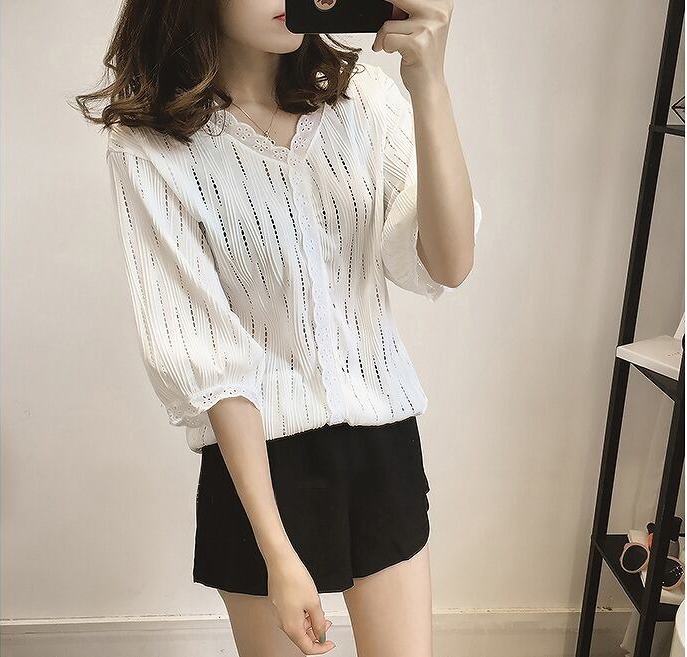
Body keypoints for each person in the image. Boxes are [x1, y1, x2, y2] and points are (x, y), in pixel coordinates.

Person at [75, 0, 481, 654]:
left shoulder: (362, 101)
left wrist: (429, 84)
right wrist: (277, 551)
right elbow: (209, 355)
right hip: (259, 464)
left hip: (382, 444)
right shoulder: (151, 147)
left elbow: (450, 262)